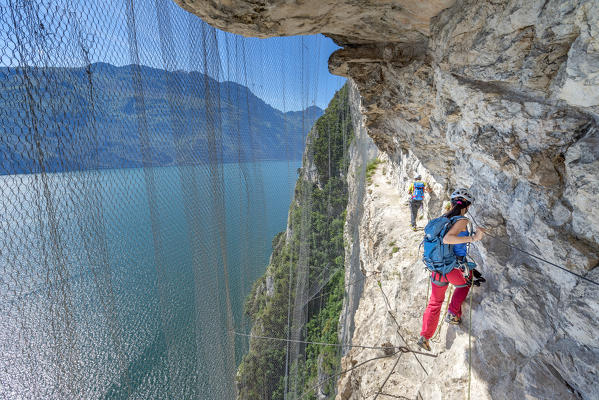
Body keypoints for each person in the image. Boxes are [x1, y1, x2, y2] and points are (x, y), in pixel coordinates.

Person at [417, 188, 486, 351]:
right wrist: (474, 237)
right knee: (466, 283)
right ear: (467, 206)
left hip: (437, 268)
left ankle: (424, 336)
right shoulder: (462, 220)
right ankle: (453, 313)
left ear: (452, 203)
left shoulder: (442, 219)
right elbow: (448, 239)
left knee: (435, 302)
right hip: (453, 268)